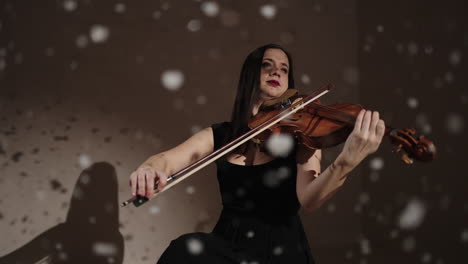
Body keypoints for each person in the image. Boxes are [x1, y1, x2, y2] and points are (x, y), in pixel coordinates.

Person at [129, 43, 385, 264]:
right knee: (183, 251)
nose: (277, 72)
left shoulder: (301, 136)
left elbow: (310, 199)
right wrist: (149, 169)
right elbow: (167, 160)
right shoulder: (222, 134)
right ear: (251, 74)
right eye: (267, 65)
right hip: (228, 246)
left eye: (284, 69)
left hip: (280, 249)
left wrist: (345, 163)